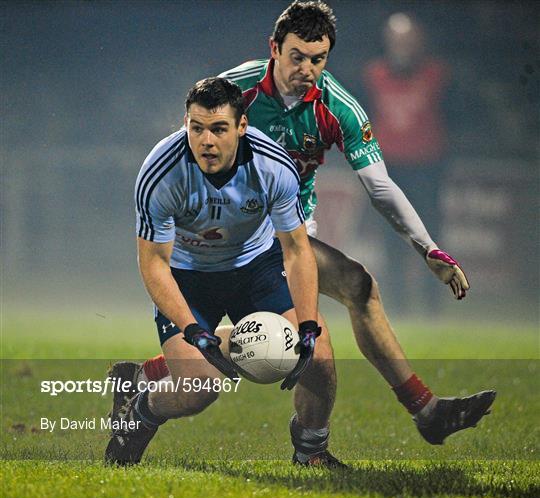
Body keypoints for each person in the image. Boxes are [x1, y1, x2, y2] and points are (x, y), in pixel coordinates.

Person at [111, 1, 495, 448]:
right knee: (287, 333)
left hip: (289, 231)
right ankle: (421, 411)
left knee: (355, 291)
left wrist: (427, 248)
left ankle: (415, 413)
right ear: (274, 49)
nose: (307, 69)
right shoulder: (238, 91)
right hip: (237, 236)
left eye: (318, 59)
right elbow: (191, 142)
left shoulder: (338, 108)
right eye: (297, 56)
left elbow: (380, 187)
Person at [105, 77, 343, 467]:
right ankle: (141, 409)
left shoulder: (273, 166)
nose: (206, 141)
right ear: (186, 124)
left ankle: (311, 452)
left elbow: (298, 251)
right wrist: (192, 328)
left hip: (256, 268)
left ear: (242, 127)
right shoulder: (161, 172)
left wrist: (308, 327)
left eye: (218, 129)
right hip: (188, 277)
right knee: (200, 389)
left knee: (318, 359)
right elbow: (153, 263)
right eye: (196, 128)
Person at [363, 13, 452, 314]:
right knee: (391, 238)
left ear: (419, 42)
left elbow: (453, 116)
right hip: (389, 168)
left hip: (426, 165)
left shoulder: (436, 74)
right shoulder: (373, 75)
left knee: (430, 236)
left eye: (408, 40)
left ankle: (432, 305)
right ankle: (398, 304)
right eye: (397, 40)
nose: (402, 46)